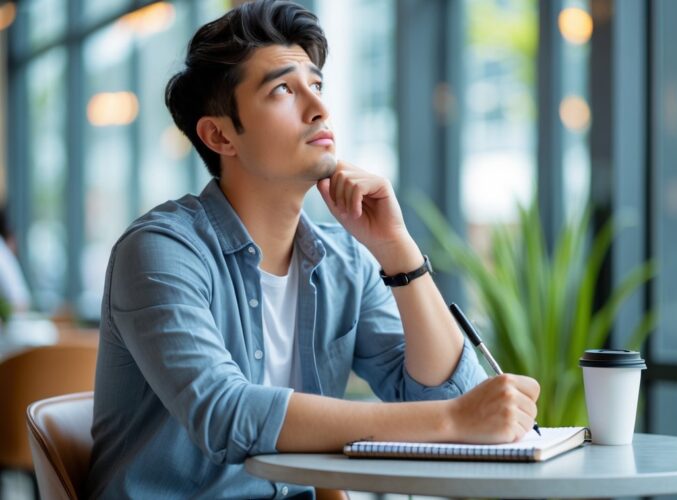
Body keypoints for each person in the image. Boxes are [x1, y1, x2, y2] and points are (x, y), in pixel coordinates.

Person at [86, 1, 540, 498]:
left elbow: (445, 393)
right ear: (220, 135)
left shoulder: (345, 260)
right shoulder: (161, 251)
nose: (319, 107)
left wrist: (397, 251)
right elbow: (224, 414)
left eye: (316, 85)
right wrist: (452, 419)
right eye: (283, 88)